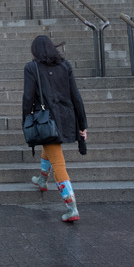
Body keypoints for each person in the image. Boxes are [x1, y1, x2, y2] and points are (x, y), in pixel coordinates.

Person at [24, 35, 88, 222]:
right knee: (49, 146)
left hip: (47, 119)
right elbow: (76, 96)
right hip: (67, 118)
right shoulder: (65, 66)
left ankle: (71, 207)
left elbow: (28, 98)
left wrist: (26, 120)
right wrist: (82, 124)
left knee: (58, 161)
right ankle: (42, 179)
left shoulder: (32, 68)